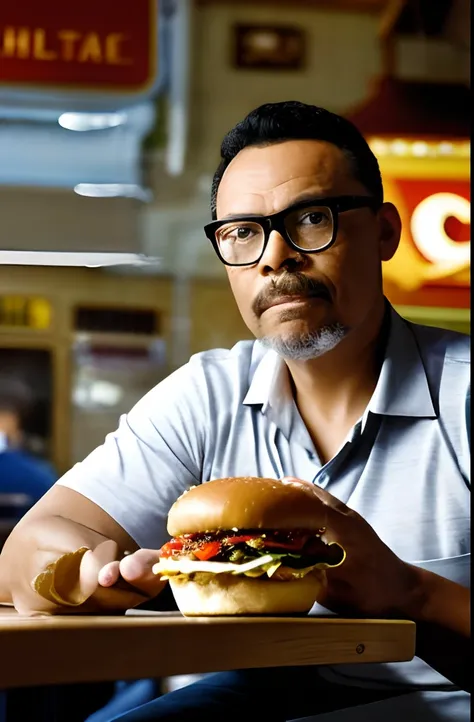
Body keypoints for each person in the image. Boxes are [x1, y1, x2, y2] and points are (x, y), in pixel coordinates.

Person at [0, 101, 470, 722]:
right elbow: (24, 552)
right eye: (243, 233)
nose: (273, 257)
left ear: (385, 231)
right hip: (262, 696)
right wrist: (91, 571)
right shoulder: (207, 393)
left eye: (310, 218)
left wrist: (411, 591)